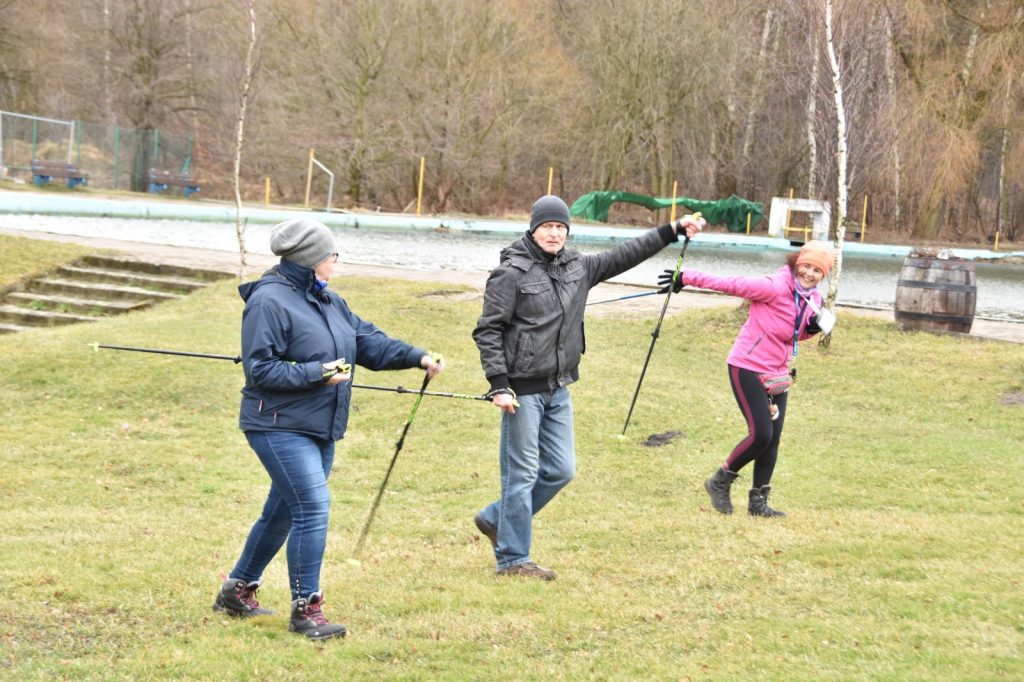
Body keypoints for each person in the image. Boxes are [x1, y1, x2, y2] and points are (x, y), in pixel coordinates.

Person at [212, 219, 445, 640]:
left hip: (319, 424)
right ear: (312, 258)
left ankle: (236, 590)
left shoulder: (328, 300)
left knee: (284, 511)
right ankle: (306, 609)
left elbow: (365, 341)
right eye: (332, 254)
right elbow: (260, 369)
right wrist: (317, 373)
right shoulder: (268, 301)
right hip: (277, 422)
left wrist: (418, 357)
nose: (336, 261)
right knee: (312, 508)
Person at [472, 195, 704, 580]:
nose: (554, 233)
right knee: (522, 473)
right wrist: (499, 384)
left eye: (561, 227)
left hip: (559, 386)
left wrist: (673, 230)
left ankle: (497, 518)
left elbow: (627, 253)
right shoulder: (510, 273)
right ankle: (513, 559)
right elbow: (488, 330)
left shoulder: (578, 267)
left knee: (561, 470)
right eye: (547, 226)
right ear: (533, 228)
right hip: (521, 391)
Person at [658, 240, 836, 518]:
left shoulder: (813, 299)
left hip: (778, 373)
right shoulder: (773, 286)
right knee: (761, 434)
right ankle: (720, 480)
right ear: (796, 263)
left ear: (823, 275)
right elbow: (730, 283)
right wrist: (685, 277)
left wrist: (811, 329)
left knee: (773, 439)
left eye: (817, 270)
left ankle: (758, 503)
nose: (810, 273)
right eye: (807, 266)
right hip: (747, 366)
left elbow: (796, 334)